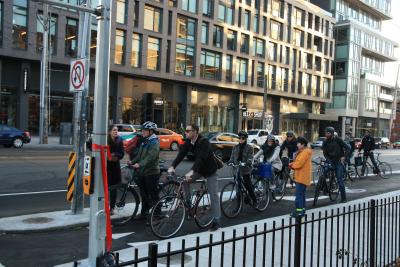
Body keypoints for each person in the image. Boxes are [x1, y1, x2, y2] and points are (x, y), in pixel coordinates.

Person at [168, 124, 221, 231]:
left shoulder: (204, 142)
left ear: (195, 132)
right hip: (199, 170)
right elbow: (181, 154)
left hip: (210, 170)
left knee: (213, 195)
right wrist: (172, 166)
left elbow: (201, 159)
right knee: (184, 181)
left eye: (188, 131)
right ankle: (188, 205)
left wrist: (192, 171)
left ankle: (216, 220)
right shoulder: (188, 142)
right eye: (185, 131)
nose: (186, 133)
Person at [129, 121, 160, 219]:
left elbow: (151, 157)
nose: (142, 132)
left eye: (145, 130)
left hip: (151, 172)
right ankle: (144, 213)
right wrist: (132, 162)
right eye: (142, 130)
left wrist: (140, 164)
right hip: (143, 171)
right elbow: (139, 155)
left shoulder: (154, 142)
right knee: (144, 194)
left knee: (153, 194)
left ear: (151, 131)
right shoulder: (145, 140)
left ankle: (158, 214)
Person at [322, 127, 349, 203]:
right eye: (326, 133)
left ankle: (344, 198)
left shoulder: (338, 139)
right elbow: (325, 153)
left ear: (332, 133)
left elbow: (348, 148)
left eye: (328, 133)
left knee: (339, 179)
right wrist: (328, 160)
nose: (326, 134)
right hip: (330, 161)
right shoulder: (325, 142)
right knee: (323, 173)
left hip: (338, 162)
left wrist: (344, 156)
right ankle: (324, 188)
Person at [228, 131, 257, 203]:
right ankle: (238, 205)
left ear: (246, 139)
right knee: (238, 188)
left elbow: (250, 157)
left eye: (243, 138)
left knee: (248, 186)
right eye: (239, 138)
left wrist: (248, 162)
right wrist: (230, 161)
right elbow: (232, 157)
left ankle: (254, 200)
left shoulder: (249, 148)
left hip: (245, 169)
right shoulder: (235, 147)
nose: (241, 139)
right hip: (237, 169)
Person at [289, 137, 312, 217]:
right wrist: (292, 164)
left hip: (301, 177)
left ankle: (299, 212)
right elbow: (298, 162)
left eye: (298, 143)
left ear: (303, 144)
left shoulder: (305, 152)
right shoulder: (303, 152)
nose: (297, 145)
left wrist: (291, 165)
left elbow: (298, 164)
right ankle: (302, 211)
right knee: (302, 195)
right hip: (302, 177)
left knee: (298, 196)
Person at [107, 124, 124, 215]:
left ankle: (112, 208)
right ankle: (104, 206)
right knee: (105, 188)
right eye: (114, 130)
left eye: (117, 130)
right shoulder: (105, 140)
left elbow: (122, 153)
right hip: (105, 166)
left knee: (113, 188)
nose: (116, 132)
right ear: (109, 132)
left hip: (114, 167)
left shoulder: (119, 140)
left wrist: (115, 155)